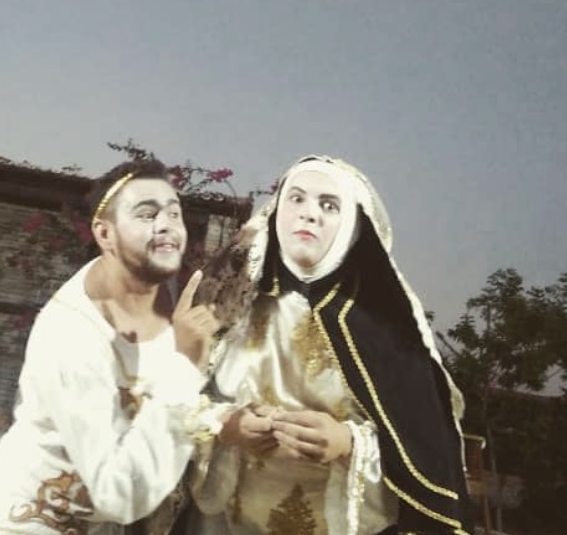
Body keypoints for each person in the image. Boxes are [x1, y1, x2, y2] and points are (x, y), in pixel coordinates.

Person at [187, 156, 473, 535]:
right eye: (297, 199)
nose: (310, 214)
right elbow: (173, 402)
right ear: (276, 211)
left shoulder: (388, 329)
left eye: (329, 205)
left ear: (353, 227)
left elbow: (425, 446)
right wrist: (225, 425)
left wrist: (348, 443)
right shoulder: (229, 304)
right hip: (226, 519)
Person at [0, 158, 223, 535]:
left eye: (174, 213)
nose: (167, 225)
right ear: (105, 234)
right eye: (146, 214)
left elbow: (150, 402)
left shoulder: (161, 296)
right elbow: (120, 495)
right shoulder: (70, 334)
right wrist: (185, 364)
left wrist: (227, 424)